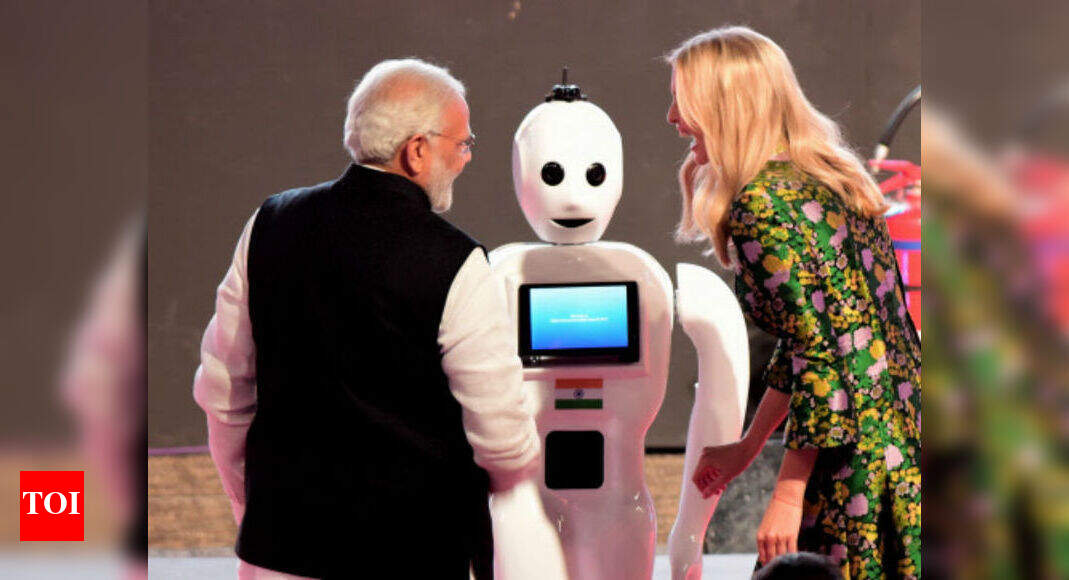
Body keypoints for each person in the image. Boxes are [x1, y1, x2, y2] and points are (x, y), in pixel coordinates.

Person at [193, 58, 541, 579]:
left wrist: (253, 506)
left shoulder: (269, 222)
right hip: (413, 556)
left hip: (279, 552)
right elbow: (502, 436)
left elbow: (223, 391)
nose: (465, 158)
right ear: (417, 150)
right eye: (462, 143)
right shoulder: (457, 261)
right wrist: (517, 480)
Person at [664, 27, 922, 579]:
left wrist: (786, 493)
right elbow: (811, 342)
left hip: (850, 470)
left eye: (683, 102)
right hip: (899, 447)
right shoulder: (834, 179)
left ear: (725, 106)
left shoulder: (759, 206)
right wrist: (747, 447)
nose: (673, 118)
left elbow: (819, 357)